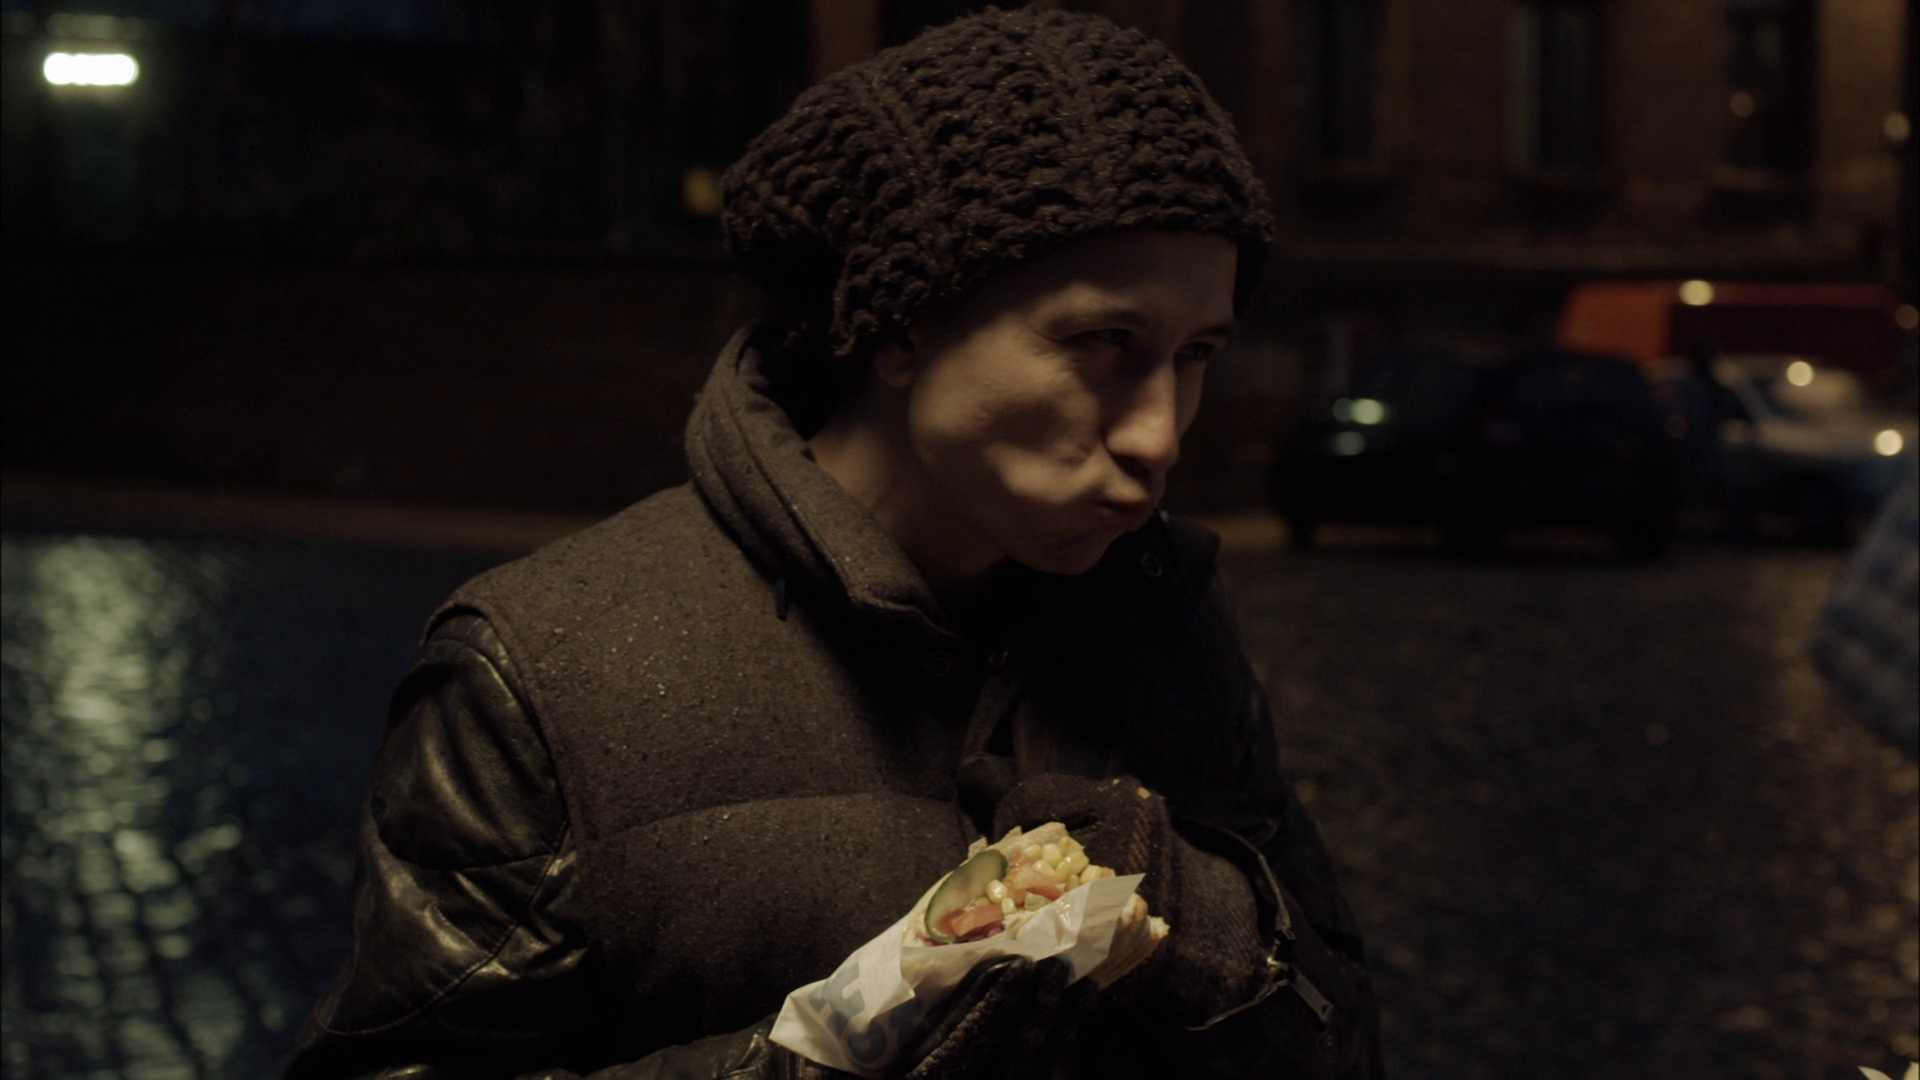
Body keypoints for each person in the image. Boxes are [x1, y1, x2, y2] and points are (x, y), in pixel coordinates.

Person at [287, 10, 1382, 1079]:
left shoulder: (1168, 613)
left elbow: (1346, 1038)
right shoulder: (540, 672)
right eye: (1104, 342)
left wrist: (1204, 931)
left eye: (1197, 354)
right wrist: (816, 1057)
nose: (1160, 435)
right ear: (902, 322)